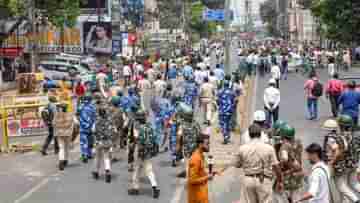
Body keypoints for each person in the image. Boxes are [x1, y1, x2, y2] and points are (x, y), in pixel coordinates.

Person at [236, 124, 283, 203]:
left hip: (248, 180)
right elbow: (276, 166)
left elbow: (237, 164)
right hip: (264, 180)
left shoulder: (242, 148)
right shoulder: (269, 148)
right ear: (260, 134)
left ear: (249, 135)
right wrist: (280, 180)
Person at [323, 115, 360, 203]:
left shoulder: (339, 136)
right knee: (354, 183)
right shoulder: (354, 134)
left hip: (343, 164)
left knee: (341, 186)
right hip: (354, 162)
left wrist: (331, 162)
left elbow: (339, 151)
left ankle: (356, 200)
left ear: (340, 125)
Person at [128, 109, 160, 198]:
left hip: (139, 150)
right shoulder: (149, 126)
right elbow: (154, 138)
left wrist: (132, 146)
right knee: (149, 170)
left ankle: (135, 188)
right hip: (148, 151)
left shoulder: (137, 126)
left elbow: (135, 138)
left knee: (137, 169)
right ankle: (154, 186)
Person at [274, 124, 304, 203]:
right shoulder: (298, 143)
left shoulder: (285, 146)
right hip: (298, 173)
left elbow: (284, 158)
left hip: (288, 175)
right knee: (296, 197)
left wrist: (279, 164)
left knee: (278, 193)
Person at [176, 103, 201, 178]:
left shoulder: (182, 125)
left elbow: (179, 136)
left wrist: (178, 146)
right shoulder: (195, 123)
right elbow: (199, 133)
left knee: (187, 162)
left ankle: (189, 179)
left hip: (187, 148)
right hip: (195, 147)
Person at [91, 104, 115, 183]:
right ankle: (107, 170)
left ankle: (96, 172)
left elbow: (93, 130)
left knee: (97, 157)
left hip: (99, 141)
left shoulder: (97, 120)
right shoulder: (110, 120)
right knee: (106, 157)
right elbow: (114, 130)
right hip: (107, 141)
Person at [187, 133, 212, 203]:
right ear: (201, 145)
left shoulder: (201, 156)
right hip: (197, 198)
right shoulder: (195, 158)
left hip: (202, 196)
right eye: (207, 144)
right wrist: (207, 177)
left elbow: (200, 173)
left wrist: (208, 174)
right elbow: (192, 180)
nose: (209, 146)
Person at [54, 104, 77, 171]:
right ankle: (65, 160)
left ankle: (61, 160)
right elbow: (76, 123)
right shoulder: (71, 114)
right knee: (66, 147)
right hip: (68, 133)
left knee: (61, 147)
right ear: (66, 108)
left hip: (59, 133)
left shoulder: (57, 115)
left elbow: (53, 123)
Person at [78, 93, 96, 163]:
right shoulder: (92, 107)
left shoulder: (80, 107)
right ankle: (89, 154)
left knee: (83, 142)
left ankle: (84, 154)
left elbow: (77, 116)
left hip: (83, 127)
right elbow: (95, 117)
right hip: (90, 127)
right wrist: (93, 125)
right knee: (90, 141)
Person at [217, 80, 236, 144]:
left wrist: (220, 104)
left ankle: (225, 136)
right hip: (229, 111)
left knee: (222, 124)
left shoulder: (220, 91)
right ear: (229, 85)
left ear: (224, 84)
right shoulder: (232, 92)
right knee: (228, 123)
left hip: (222, 111)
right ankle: (227, 136)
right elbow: (235, 101)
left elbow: (217, 101)